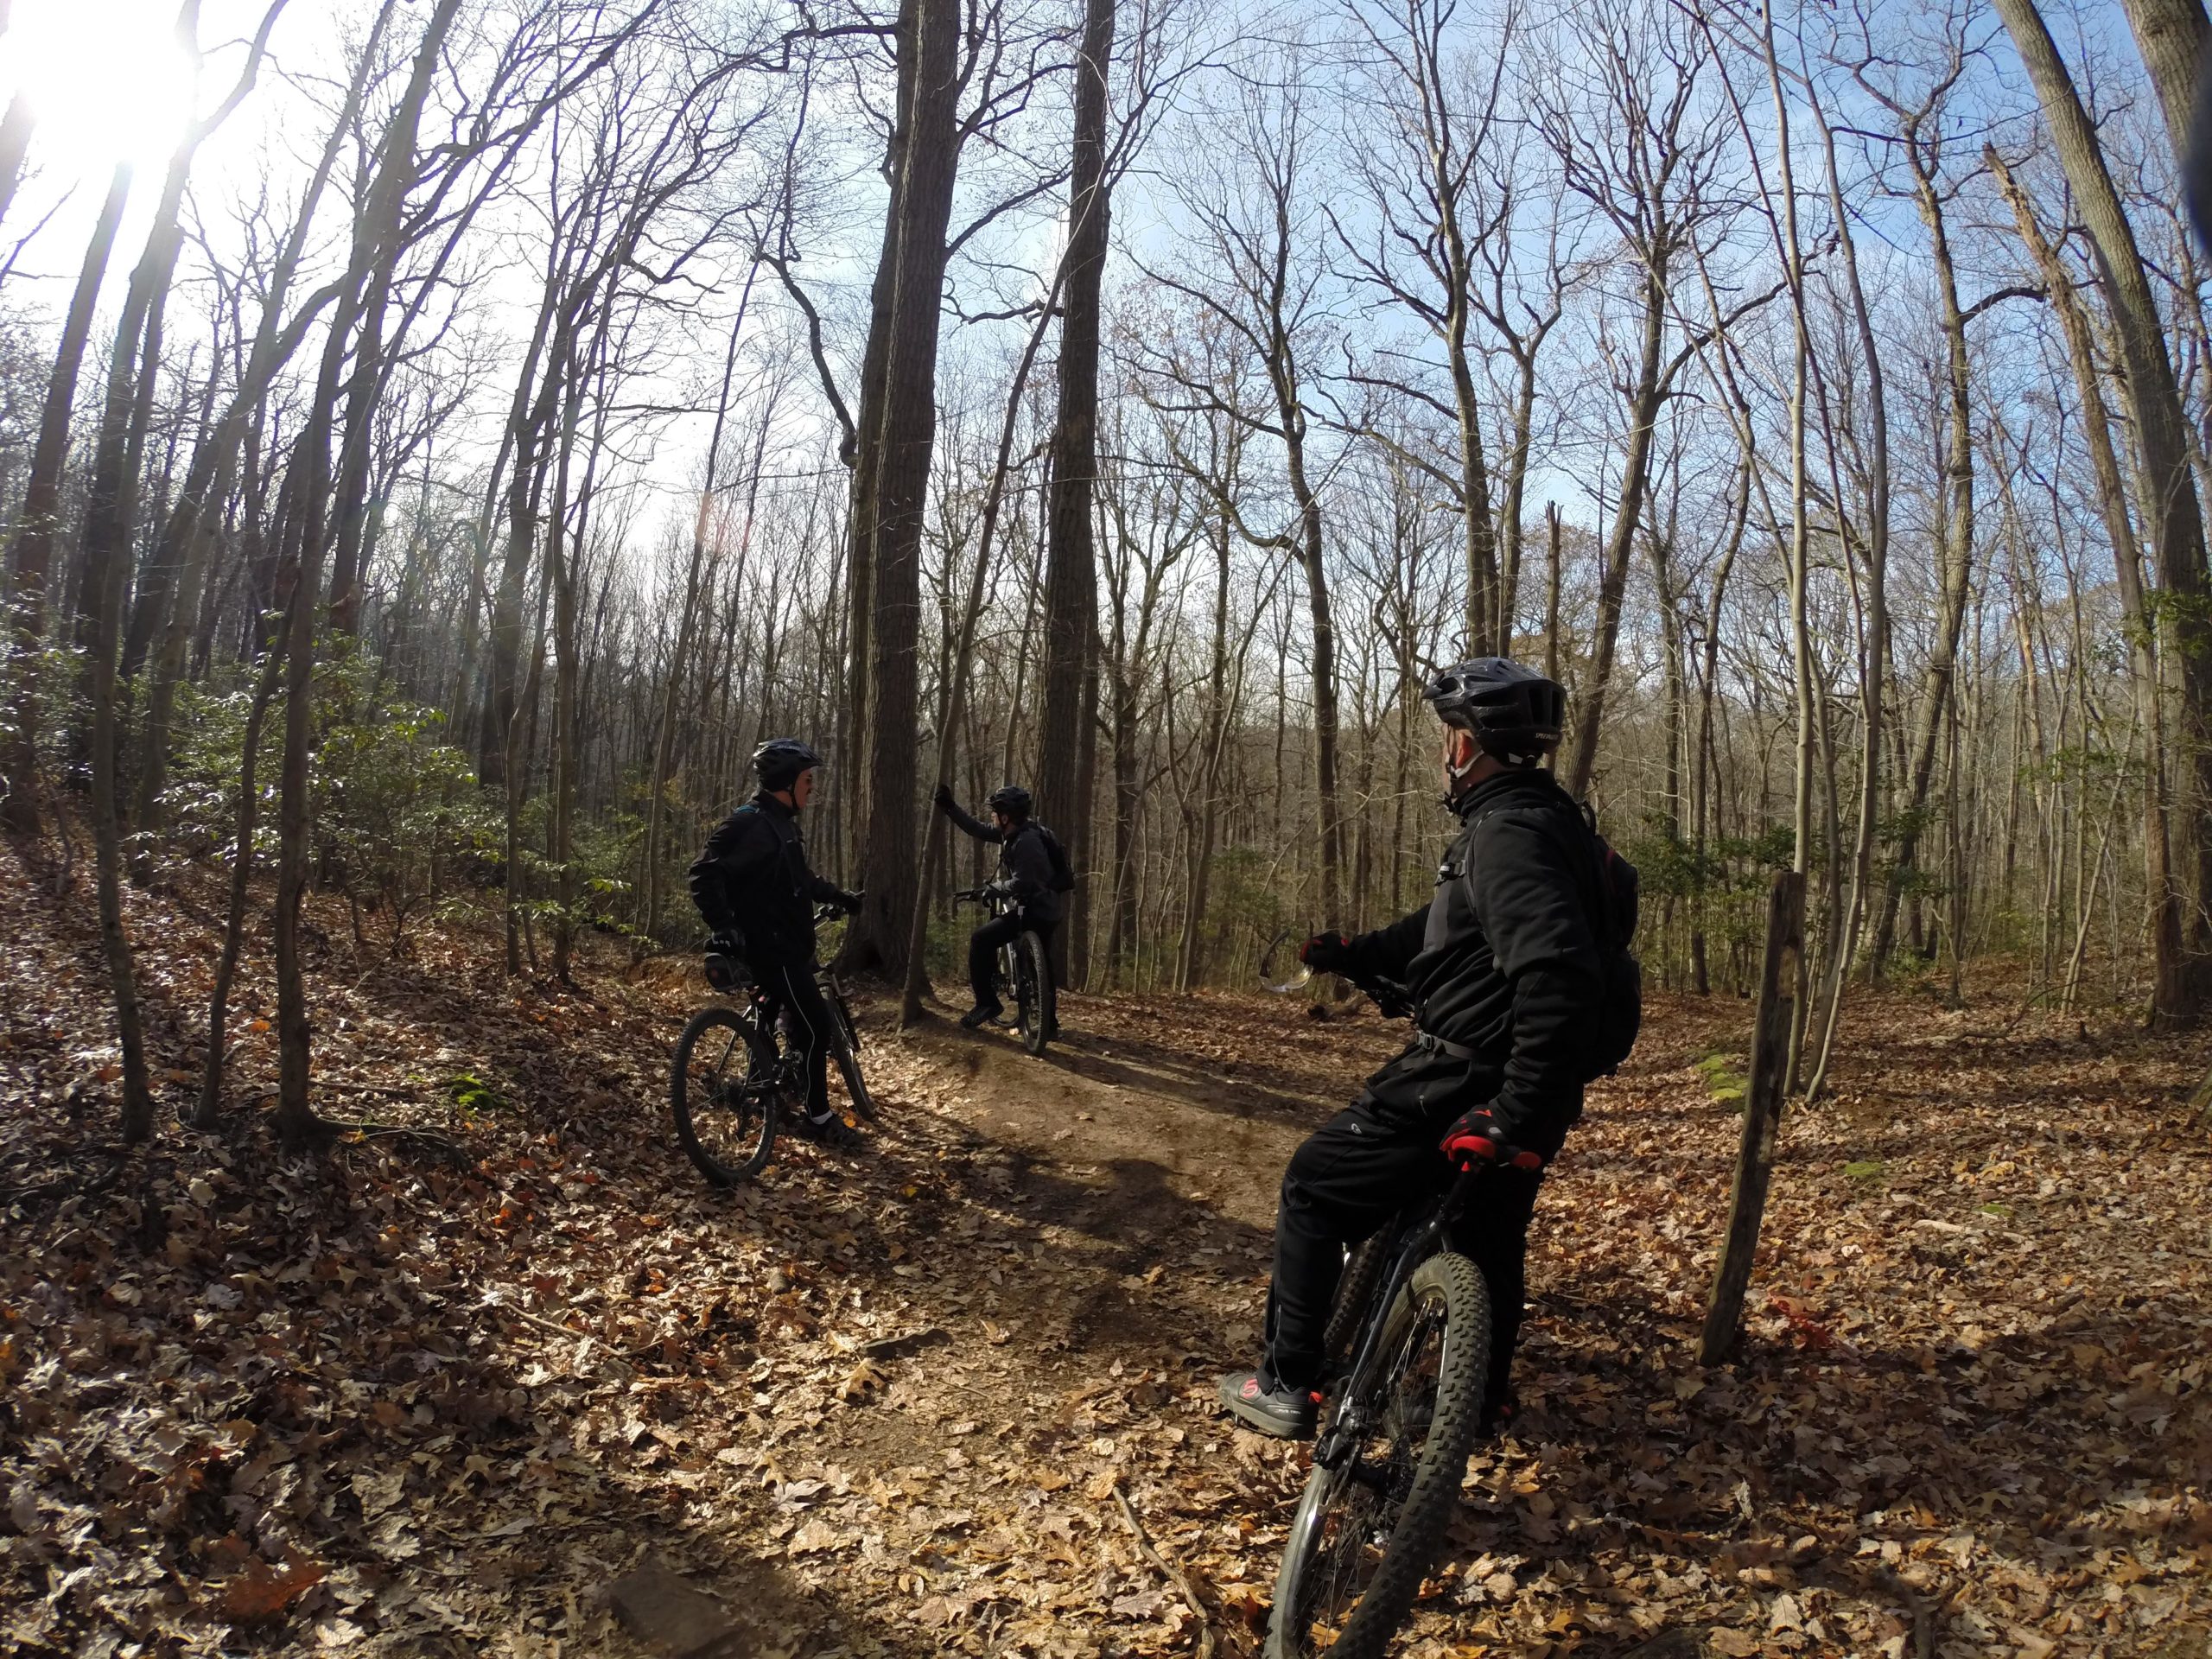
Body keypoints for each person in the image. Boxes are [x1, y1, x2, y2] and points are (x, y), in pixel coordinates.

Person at [1219, 658, 1626, 1440]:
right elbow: (1449, 930)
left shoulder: (1506, 836)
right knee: (1490, 1238)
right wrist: (1355, 951)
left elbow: (1556, 973)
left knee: (1313, 1184)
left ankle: (1286, 1382)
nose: (1445, 749)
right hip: (1533, 1089)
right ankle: (1477, 1403)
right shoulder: (1551, 825)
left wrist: (1512, 1107)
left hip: (1468, 1078)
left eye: (1449, 734)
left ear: (1467, 745)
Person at [688, 738, 865, 1149]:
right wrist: (723, 924)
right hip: (774, 949)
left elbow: (798, 878)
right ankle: (819, 1117)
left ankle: (758, 1085)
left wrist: (837, 896)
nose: (812, 787)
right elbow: (703, 873)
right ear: (786, 782)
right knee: (818, 1027)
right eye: (807, 780)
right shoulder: (748, 823)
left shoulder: (781, 824)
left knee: (775, 1017)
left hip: (786, 944)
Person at [932, 783, 1067, 1033]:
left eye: (995, 813)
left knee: (981, 940)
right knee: (1043, 964)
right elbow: (978, 830)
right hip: (1048, 910)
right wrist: (950, 808)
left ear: (1005, 817)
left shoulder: (1025, 842)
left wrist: (993, 889)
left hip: (1033, 911)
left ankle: (987, 1003)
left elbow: (1024, 883)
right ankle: (1049, 1024)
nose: (992, 816)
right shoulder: (1019, 833)